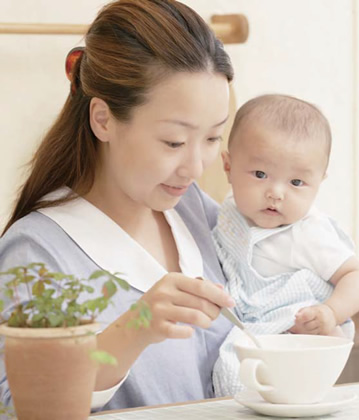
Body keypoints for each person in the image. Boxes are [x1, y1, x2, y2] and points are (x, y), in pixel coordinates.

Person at [0, 0, 237, 413]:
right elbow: (13, 407)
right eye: (174, 142)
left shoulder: (193, 209)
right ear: (103, 119)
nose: (195, 167)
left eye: (213, 138)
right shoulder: (36, 253)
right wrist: (134, 329)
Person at [212, 94, 359, 397]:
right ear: (228, 166)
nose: (276, 193)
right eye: (260, 175)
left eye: (296, 183)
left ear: (319, 181)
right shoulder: (229, 213)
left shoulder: (308, 233)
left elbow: (358, 276)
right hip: (253, 323)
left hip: (299, 332)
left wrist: (330, 312)